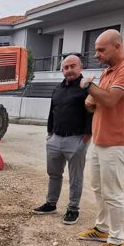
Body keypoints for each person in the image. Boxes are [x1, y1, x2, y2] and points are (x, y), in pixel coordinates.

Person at [78, 29, 124, 246]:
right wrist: (93, 95)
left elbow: (110, 99)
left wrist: (88, 86)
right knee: (98, 187)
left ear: (117, 46)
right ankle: (102, 228)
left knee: (112, 192)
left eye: (101, 50)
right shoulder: (107, 73)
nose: (97, 55)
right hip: (100, 140)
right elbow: (91, 104)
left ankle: (116, 239)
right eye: (96, 50)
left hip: (117, 142)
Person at [33, 53, 93, 225]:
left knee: (75, 177)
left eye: (73, 66)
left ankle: (73, 209)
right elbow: (52, 113)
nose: (69, 70)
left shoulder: (87, 89)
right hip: (55, 140)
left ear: (80, 67)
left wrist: (85, 140)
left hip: (76, 140)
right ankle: (51, 204)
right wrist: (49, 134)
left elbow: (92, 115)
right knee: (54, 174)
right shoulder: (57, 90)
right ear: (62, 70)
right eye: (66, 67)